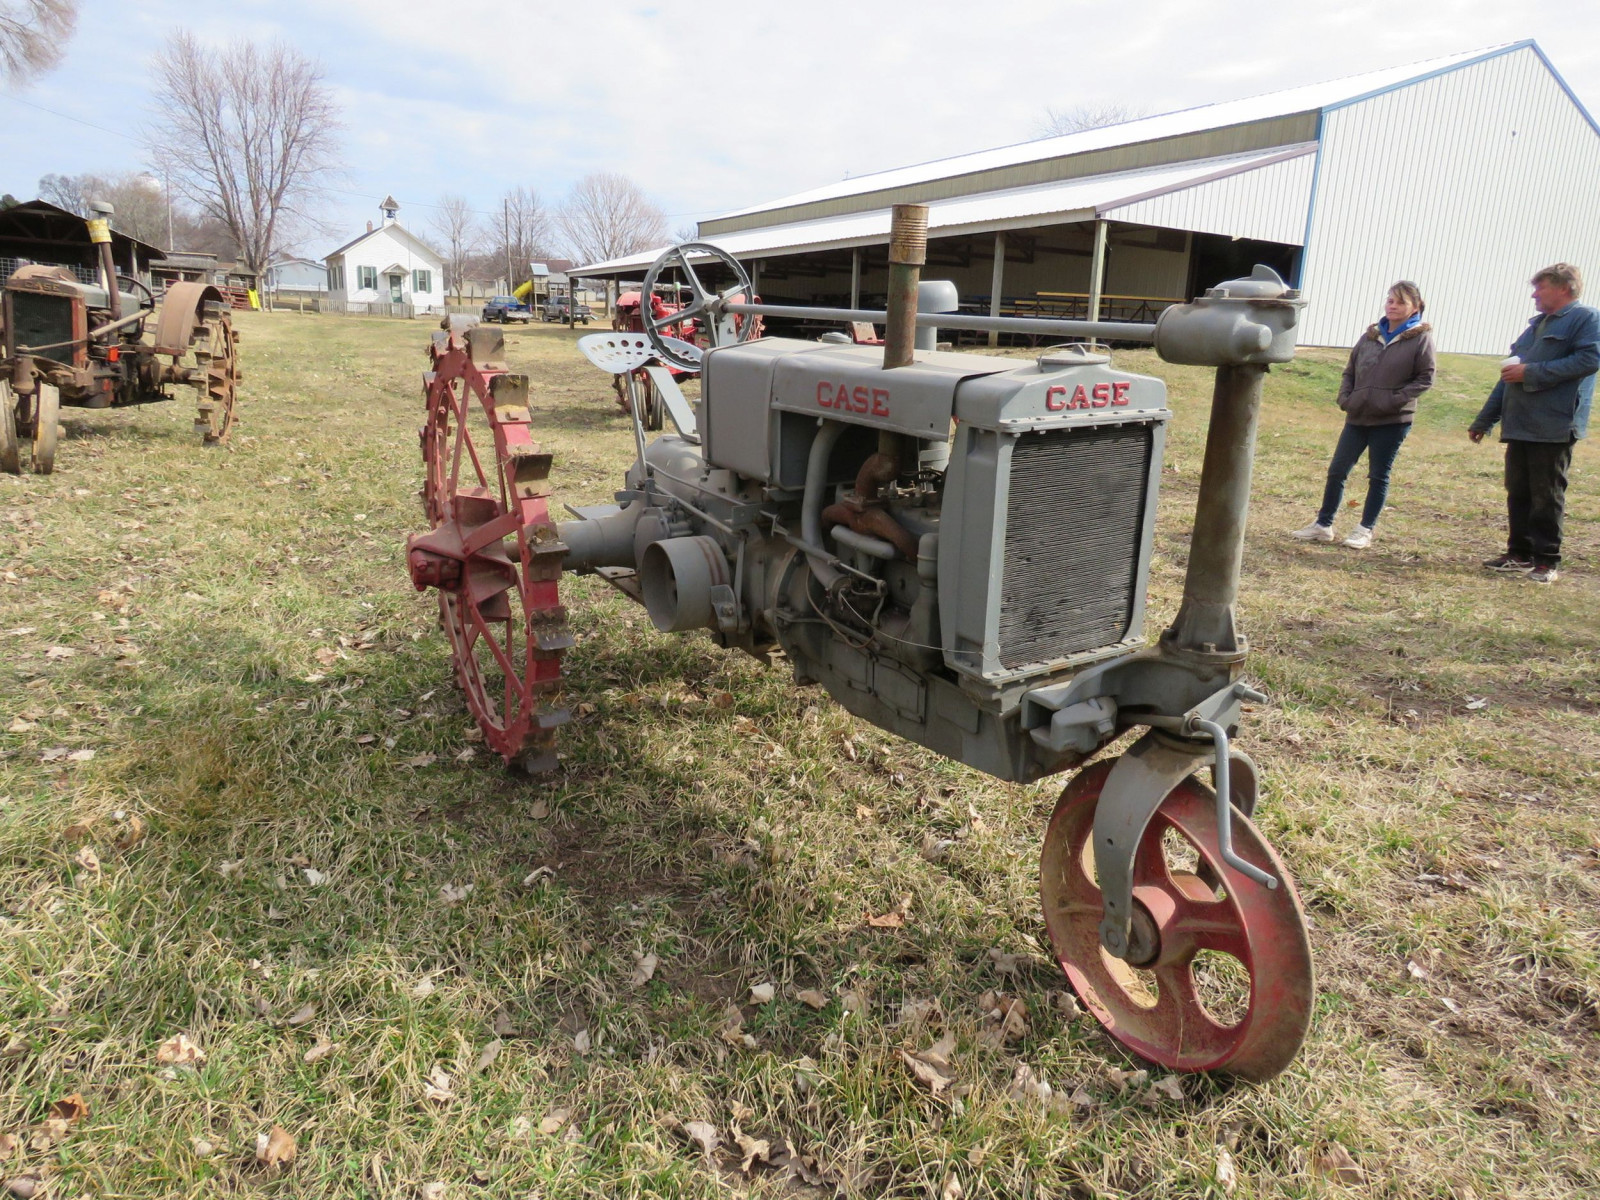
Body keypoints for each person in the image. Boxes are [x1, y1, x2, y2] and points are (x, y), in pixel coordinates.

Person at [1469, 263, 1598, 585]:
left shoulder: (1586, 319)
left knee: (1547, 494)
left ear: (1563, 288)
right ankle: (1519, 553)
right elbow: (1509, 376)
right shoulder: (1535, 326)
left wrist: (1533, 372)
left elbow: (1590, 359)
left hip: (1553, 425)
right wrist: (1485, 419)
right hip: (1520, 423)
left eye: (1540, 288)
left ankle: (1546, 560)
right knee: (1518, 491)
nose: (1533, 295)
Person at [1291, 281, 1436, 549]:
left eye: (1400, 302)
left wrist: (1393, 401)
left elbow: (1425, 378)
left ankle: (1365, 529)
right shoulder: (1370, 336)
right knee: (1338, 470)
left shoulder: (1420, 338)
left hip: (1392, 420)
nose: (1392, 306)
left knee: (1378, 475)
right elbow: (1350, 370)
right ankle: (1323, 525)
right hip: (1358, 416)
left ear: (1415, 307)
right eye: (1390, 300)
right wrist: (1346, 398)